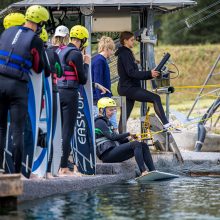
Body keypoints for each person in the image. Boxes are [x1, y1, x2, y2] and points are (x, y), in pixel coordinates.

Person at [0, 5, 50, 173]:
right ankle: (16, 174)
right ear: (40, 23)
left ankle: (0, 170)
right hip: (17, 86)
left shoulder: (6, 32)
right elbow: (38, 67)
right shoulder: (35, 39)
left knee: (0, 128)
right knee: (18, 131)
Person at [115, 31, 173, 133]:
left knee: (124, 116)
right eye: (131, 40)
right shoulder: (125, 54)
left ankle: (121, 139)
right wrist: (149, 74)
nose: (133, 42)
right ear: (125, 41)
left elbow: (133, 73)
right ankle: (167, 124)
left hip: (126, 88)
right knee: (155, 98)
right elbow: (131, 73)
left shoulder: (125, 53)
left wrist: (150, 74)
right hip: (129, 88)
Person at [56, 25, 90, 176]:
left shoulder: (59, 49)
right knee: (67, 131)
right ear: (82, 40)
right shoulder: (75, 54)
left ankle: (55, 165)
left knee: (57, 131)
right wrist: (86, 63)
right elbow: (82, 79)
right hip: (70, 94)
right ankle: (63, 167)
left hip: (57, 93)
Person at [95, 97, 156, 176]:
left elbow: (118, 140)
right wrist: (128, 134)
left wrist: (129, 138)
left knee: (143, 145)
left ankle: (153, 171)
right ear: (101, 110)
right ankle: (143, 172)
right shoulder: (99, 122)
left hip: (113, 151)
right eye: (110, 110)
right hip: (106, 155)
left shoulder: (107, 122)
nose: (113, 112)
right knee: (136, 144)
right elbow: (112, 137)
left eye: (114, 109)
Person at [39, 28, 63, 177]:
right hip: (51, 93)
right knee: (51, 130)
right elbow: (59, 72)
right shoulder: (52, 53)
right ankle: (48, 170)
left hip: (34, 96)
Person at [92, 36, 118, 129]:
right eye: (111, 50)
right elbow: (97, 81)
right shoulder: (100, 61)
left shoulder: (99, 60)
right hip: (100, 101)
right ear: (107, 48)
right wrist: (101, 102)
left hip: (102, 100)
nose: (112, 52)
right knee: (112, 126)